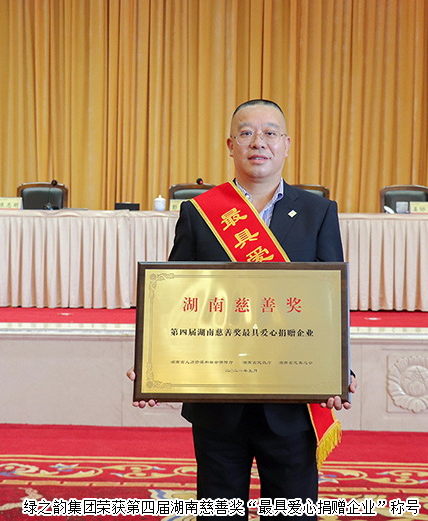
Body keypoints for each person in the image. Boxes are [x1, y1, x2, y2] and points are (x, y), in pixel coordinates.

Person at [128, 99, 356, 518]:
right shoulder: (200, 213)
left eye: (270, 133)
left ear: (286, 144)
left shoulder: (318, 212)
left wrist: (339, 369)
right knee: (219, 509)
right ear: (230, 145)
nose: (259, 142)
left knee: (290, 511)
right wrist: (154, 362)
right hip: (218, 397)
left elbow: (329, 301)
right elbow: (176, 300)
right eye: (247, 133)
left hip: (292, 397)